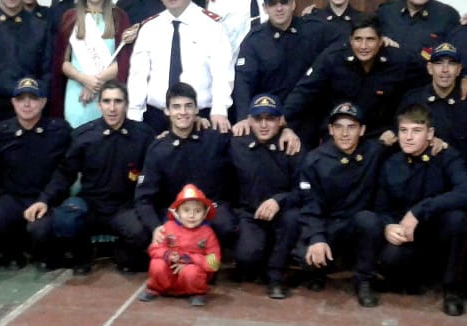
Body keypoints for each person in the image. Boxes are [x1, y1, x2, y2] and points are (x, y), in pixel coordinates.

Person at [25, 81, 154, 274]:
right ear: (99, 105)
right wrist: (44, 200)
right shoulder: (84, 136)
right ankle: (81, 253)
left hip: (123, 207)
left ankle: (122, 253)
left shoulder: (144, 135)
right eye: (107, 101)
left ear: (126, 104)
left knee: (140, 233)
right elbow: (65, 173)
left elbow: (154, 172)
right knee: (50, 225)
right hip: (90, 205)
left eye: (118, 101)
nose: (112, 108)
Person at [374, 104, 467, 316]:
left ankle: (451, 289)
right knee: (390, 258)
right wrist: (387, 226)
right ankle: (415, 279)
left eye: (416, 131)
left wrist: (419, 211)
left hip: (438, 235)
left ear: (430, 134)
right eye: (403, 130)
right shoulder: (391, 163)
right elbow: (381, 207)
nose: (408, 137)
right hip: (409, 237)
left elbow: (465, 193)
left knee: (457, 219)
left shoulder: (447, 157)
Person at [135, 83, 238, 271]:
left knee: (226, 225)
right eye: (176, 107)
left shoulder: (215, 139)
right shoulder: (158, 149)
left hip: (209, 209)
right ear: (167, 111)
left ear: (197, 109)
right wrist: (155, 227)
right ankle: (185, 262)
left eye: (188, 106)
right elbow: (144, 198)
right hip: (173, 214)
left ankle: (208, 262)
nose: (183, 112)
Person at [126, 0, 234, 133]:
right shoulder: (150, 27)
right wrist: (133, 115)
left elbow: (222, 73)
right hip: (156, 117)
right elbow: (138, 76)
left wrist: (220, 110)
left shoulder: (211, 26)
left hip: (199, 118)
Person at [0, 78, 71, 268]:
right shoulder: (0, 132)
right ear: (13, 102)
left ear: (43, 102)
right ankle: (12, 251)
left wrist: (46, 199)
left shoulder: (59, 130)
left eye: (33, 98)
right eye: (20, 99)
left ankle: (43, 254)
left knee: (40, 230)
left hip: (46, 198)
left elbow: (65, 171)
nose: (26, 104)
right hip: (13, 197)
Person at [298, 102, 383, 306]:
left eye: (351, 127)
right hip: (329, 226)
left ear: (362, 130)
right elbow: (310, 204)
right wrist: (317, 237)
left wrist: (436, 142)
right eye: (339, 127)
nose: (344, 133)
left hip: (357, 226)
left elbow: (408, 141)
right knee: (305, 259)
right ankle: (320, 271)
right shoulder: (314, 159)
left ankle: (364, 281)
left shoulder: (374, 152)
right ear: (330, 130)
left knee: (369, 220)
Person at [284, 14, 417, 143]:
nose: (363, 46)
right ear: (350, 40)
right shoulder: (332, 57)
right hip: (339, 136)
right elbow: (305, 90)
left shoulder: (399, 60)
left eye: (370, 39)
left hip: (379, 138)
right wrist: (281, 118)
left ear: (381, 41)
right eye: (358, 39)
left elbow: (419, 93)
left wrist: (396, 128)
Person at [232, 0, 333, 142]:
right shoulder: (255, 39)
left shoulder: (314, 31)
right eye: (272, 4)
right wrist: (244, 116)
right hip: (268, 119)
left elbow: (330, 68)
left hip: (307, 119)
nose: (279, 8)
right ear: (265, 8)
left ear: (293, 4)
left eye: (284, 2)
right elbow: (244, 81)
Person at [228, 94, 303, 299]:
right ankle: (257, 262)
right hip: (249, 215)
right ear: (249, 120)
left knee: (293, 218)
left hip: (283, 215)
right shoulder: (236, 144)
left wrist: (279, 200)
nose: (263, 125)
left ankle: (276, 277)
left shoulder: (292, 145)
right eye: (258, 118)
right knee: (247, 256)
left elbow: (303, 191)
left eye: (270, 119)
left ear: (280, 121)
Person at [398, 42, 467, 197]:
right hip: (420, 180)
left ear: (459, 70)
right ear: (429, 68)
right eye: (438, 64)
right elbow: (400, 139)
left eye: (451, 64)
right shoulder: (413, 99)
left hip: (461, 181)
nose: (445, 70)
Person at [50, 0, 134, 125]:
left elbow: (124, 60)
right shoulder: (70, 17)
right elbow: (63, 62)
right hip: (77, 92)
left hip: (108, 93)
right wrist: (83, 79)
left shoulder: (119, 16)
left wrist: (93, 83)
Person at [138, 184, 223, 307]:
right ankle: (155, 289)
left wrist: (191, 260)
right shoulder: (167, 227)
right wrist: (168, 255)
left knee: (191, 272)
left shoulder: (208, 233)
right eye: (186, 210)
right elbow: (153, 248)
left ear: (205, 214)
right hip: (169, 272)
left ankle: (196, 293)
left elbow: (214, 262)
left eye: (198, 211)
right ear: (177, 212)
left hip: (191, 274)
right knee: (157, 264)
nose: (191, 215)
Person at [375, 0, 460, 75]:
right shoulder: (386, 12)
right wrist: (379, 40)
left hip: (425, 82)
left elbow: (455, 56)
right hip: (388, 81)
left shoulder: (447, 16)